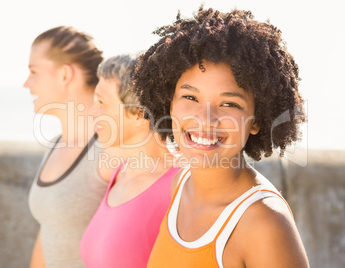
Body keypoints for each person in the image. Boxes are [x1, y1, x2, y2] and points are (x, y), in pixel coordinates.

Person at [133, 6, 310, 268]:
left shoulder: (263, 222)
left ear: (257, 120)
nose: (205, 119)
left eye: (229, 104)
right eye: (190, 97)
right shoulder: (180, 184)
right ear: (169, 104)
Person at [80, 55, 179, 268]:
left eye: (101, 103)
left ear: (140, 113)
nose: (92, 112)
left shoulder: (180, 184)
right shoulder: (119, 174)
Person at [24, 26, 107, 268]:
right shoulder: (55, 144)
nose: (26, 83)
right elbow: (48, 231)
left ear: (64, 75)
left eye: (33, 71)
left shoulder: (111, 148)